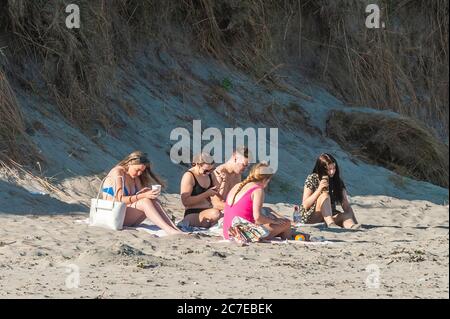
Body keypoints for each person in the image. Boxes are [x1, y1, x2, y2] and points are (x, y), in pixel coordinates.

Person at [102, 151, 184, 235]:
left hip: (124, 217)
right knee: (145, 201)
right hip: (111, 215)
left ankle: (173, 227)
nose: (139, 173)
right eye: (137, 170)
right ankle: (169, 230)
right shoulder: (118, 172)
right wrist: (142, 195)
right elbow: (120, 199)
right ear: (130, 163)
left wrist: (144, 193)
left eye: (141, 171)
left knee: (153, 200)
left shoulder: (135, 178)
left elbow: (137, 198)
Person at [223, 163, 292, 241]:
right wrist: (274, 221)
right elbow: (258, 218)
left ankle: (287, 236)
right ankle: (289, 241)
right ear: (266, 180)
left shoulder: (238, 186)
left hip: (227, 232)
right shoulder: (257, 190)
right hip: (242, 235)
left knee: (274, 224)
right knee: (286, 223)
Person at [299, 153, 359, 229]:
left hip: (328, 218)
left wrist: (355, 221)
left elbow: (346, 205)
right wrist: (319, 189)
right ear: (321, 168)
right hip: (312, 217)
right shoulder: (312, 178)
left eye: (334, 168)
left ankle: (352, 227)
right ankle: (331, 224)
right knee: (324, 195)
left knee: (346, 215)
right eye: (329, 169)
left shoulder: (337, 181)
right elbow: (305, 205)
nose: (332, 172)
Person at [180, 153, 222, 228]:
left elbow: (217, 192)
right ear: (197, 165)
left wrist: (220, 181)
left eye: (211, 169)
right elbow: (185, 201)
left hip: (208, 210)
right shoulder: (189, 176)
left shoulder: (210, 174)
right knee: (216, 214)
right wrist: (206, 194)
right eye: (205, 170)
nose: (208, 172)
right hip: (193, 213)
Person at [210, 146, 250, 211]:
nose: (245, 169)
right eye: (243, 165)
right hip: (212, 213)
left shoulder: (237, 175)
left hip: (227, 209)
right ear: (235, 158)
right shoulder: (219, 174)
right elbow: (215, 204)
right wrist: (240, 208)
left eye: (247, 166)